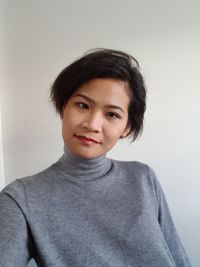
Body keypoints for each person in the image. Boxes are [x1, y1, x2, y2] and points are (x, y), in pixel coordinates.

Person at [0, 48, 192, 267]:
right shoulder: (20, 199)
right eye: (82, 105)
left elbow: (178, 258)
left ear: (127, 127)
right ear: (64, 107)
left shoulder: (143, 177)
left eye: (112, 114)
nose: (92, 124)